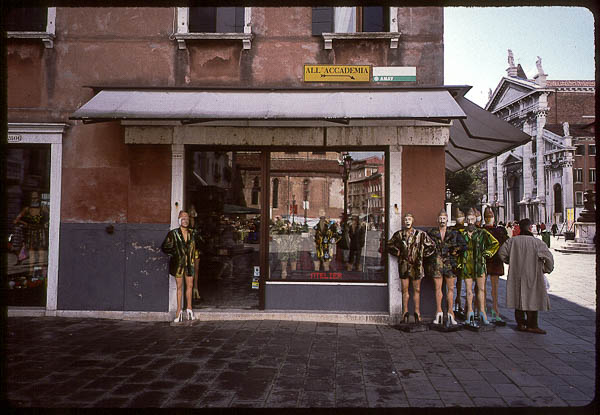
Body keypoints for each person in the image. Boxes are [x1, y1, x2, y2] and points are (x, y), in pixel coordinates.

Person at [498, 218, 554, 334]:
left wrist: (510, 261)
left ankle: (521, 324)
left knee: (518, 298)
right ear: (529, 228)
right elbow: (549, 259)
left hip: (516, 274)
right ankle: (532, 325)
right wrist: (545, 269)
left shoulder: (512, 241)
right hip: (533, 274)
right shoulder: (537, 243)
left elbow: (501, 253)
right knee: (533, 299)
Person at [387, 213, 436, 324]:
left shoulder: (421, 234)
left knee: (416, 290)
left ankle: (417, 313)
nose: (407, 221)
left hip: (417, 266)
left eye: (409, 219)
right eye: (405, 220)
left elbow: (432, 246)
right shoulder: (399, 234)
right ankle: (405, 313)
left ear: (413, 220)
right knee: (405, 290)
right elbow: (389, 245)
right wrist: (397, 252)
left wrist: (422, 255)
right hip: (404, 265)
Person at [458, 208, 499, 326]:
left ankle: (482, 313)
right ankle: (469, 312)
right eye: (468, 219)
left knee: (481, 289)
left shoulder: (482, 233)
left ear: (476, 219)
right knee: (469, 290)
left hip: (480, 264)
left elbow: (495, 243)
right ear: (466, 220)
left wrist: (487, 253)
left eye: (472, 219)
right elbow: (455, 246)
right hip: (466, 264)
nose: (470, 222)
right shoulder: (461, 234)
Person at [427, 209, 467, 326]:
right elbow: (426, 246)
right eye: (440, 218)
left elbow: (464, 245)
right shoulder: (431, 232)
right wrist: (432, 255)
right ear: (437, 220)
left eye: (444, 218)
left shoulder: (454, 233)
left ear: (447, 220)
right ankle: (438, 312)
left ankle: (450, 313)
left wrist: (455, 251)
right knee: (438, 289)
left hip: (450, 264)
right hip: (437, 264)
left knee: (451, 289)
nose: (442, 220)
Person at [161, 211, 200, 323]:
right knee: (179, 287)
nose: (185, 220)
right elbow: (164, 247)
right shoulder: (173, 233)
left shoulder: (193, 233)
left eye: (187, 218)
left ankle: (189, 308)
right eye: (183, 218)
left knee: (190, 286)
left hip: (189, 264)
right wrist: (175, 253)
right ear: (179, 220)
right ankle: (178, 310)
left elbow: (200, 244)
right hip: (178, 264)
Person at [482, 207, 509, 324]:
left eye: (491, 216)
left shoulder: (499, 231)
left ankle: (495, 310)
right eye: (487, 216)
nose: (489, 218)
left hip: (495, 261)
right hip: (486, 261)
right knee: (482, 288)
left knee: (494, 288)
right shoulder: (482, 230)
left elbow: (505, 243)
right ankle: (483, 310)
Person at [14, 191, 49, 270]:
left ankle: (41, 270)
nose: (34, 200)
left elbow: (51, 217)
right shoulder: (27, 209)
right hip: (31, 232)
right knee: (32, 252)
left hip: (40, 231)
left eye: (36, 198)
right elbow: (16, 220)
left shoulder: (43, 208)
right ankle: (31, 270)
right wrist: (25, 223)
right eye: (32, 198)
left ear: (39, 198)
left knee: (41, 252)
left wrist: (46, 223)